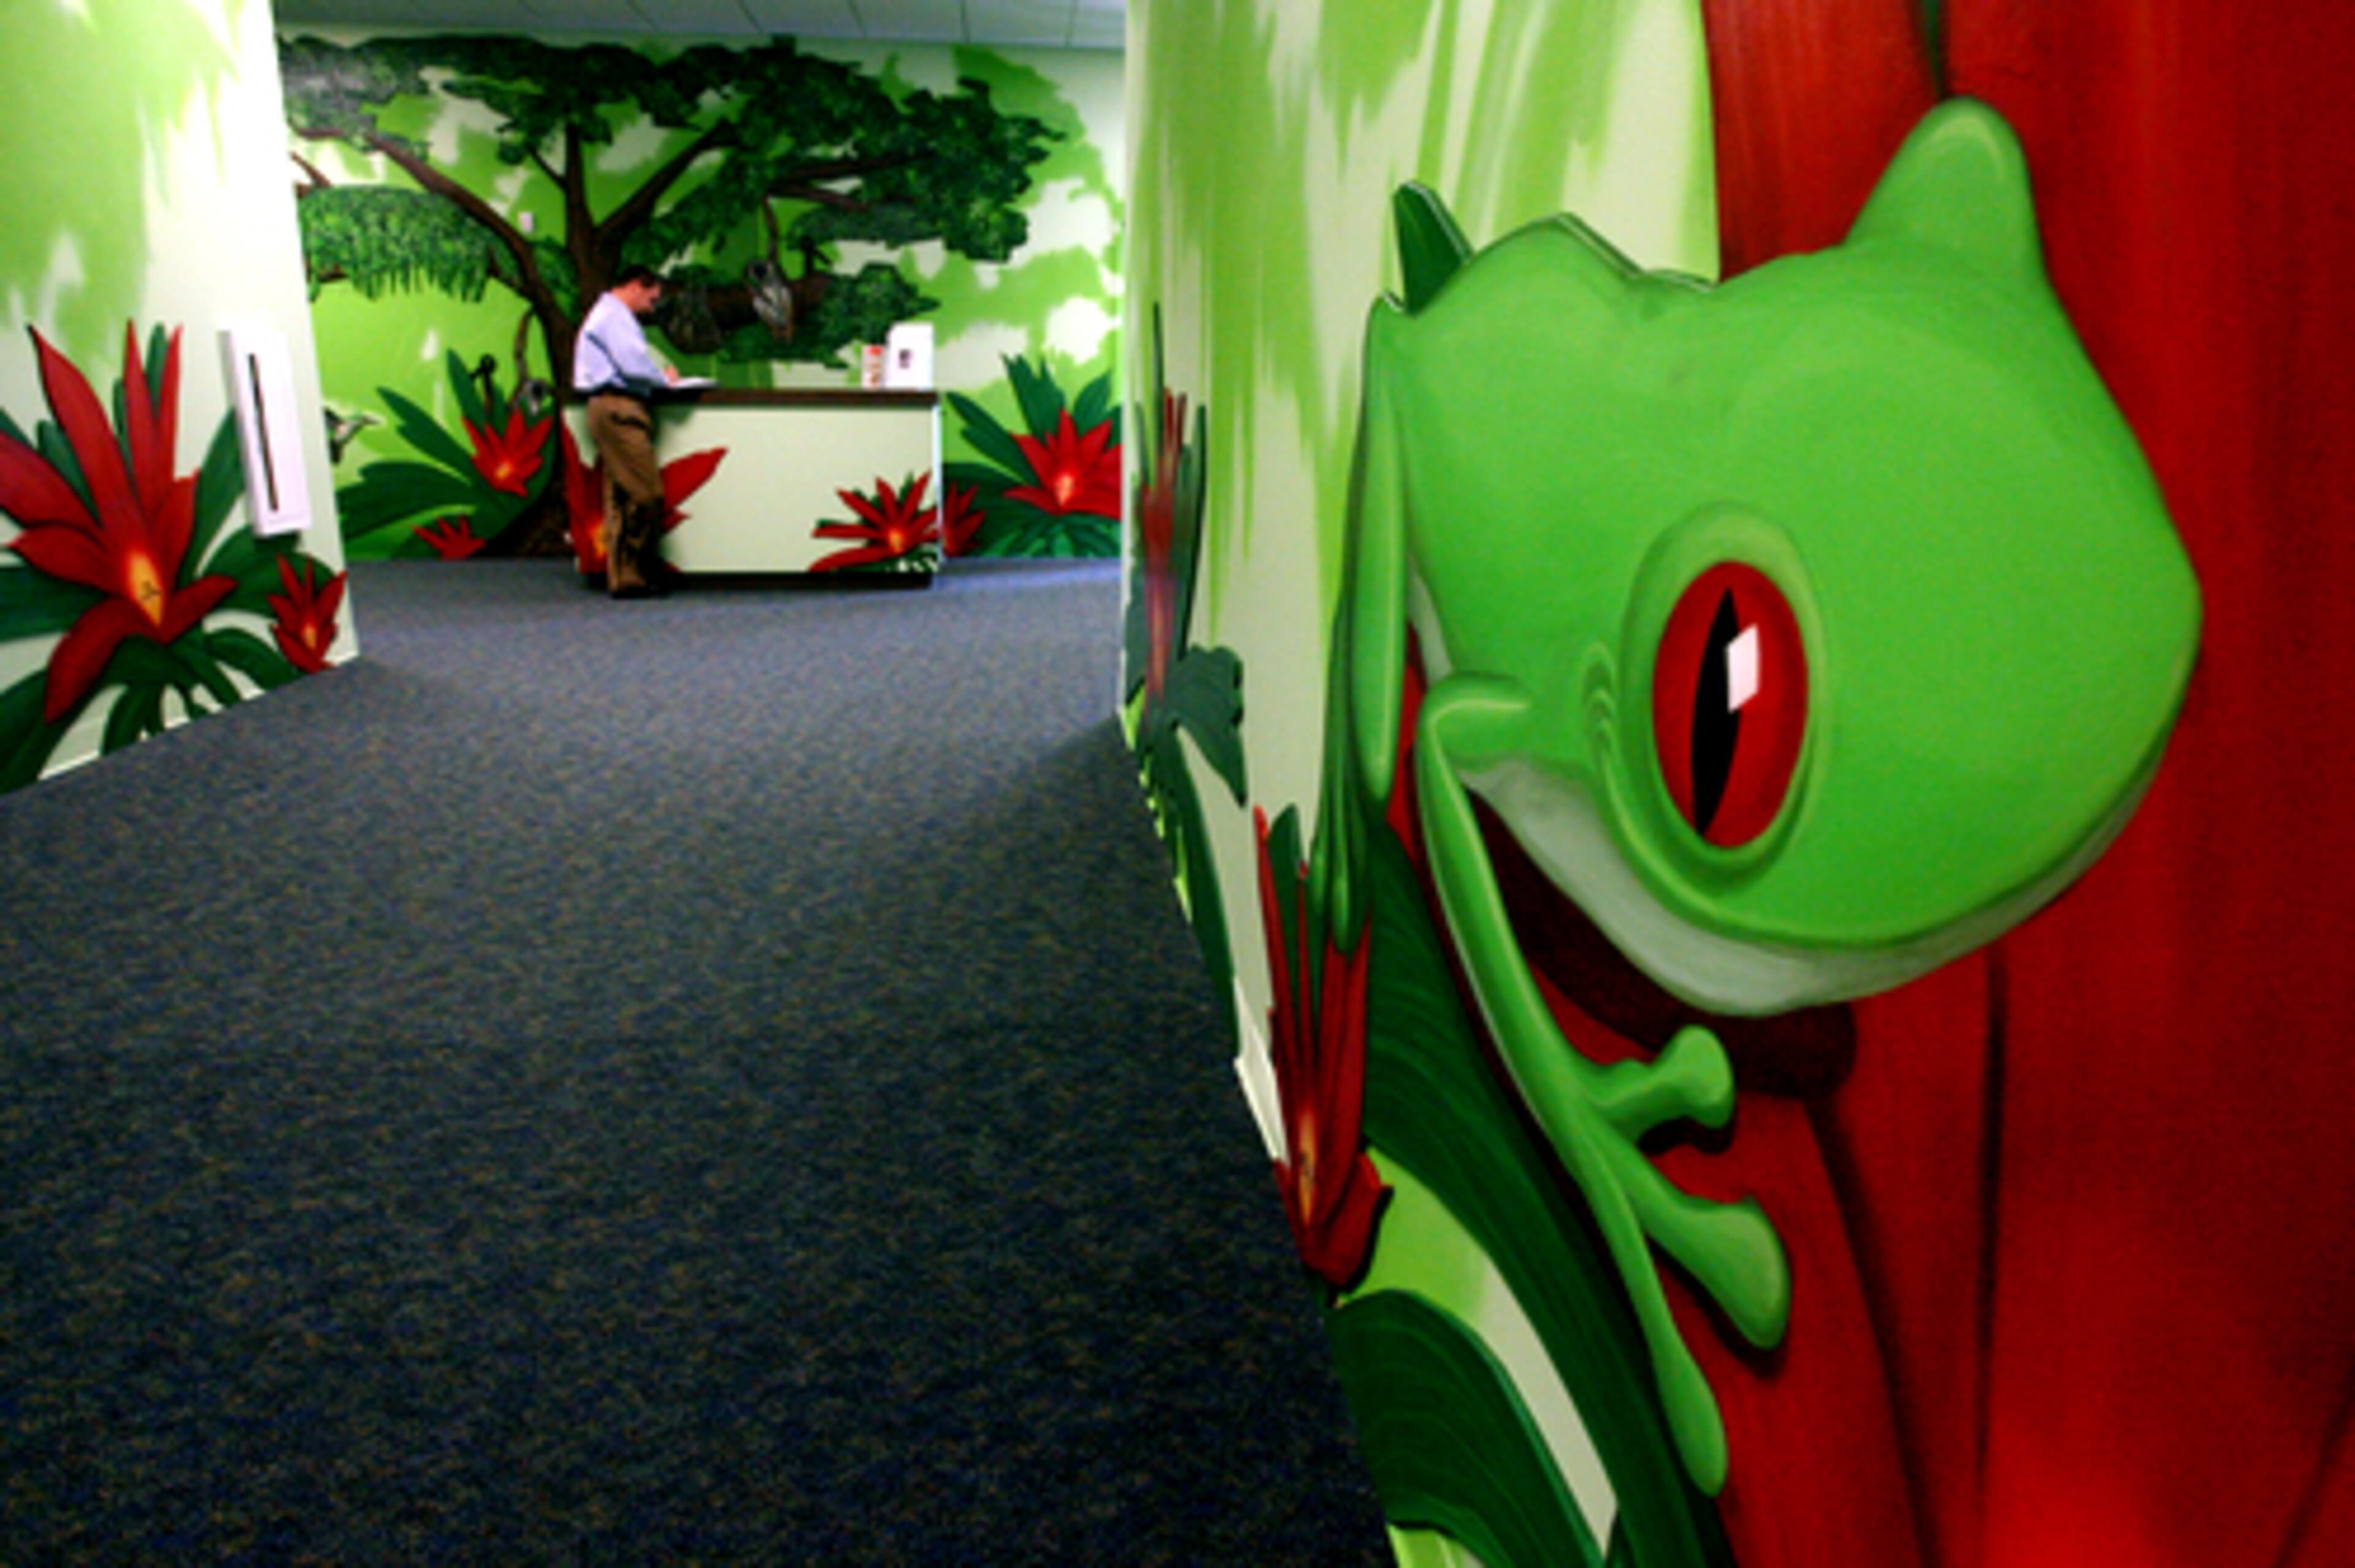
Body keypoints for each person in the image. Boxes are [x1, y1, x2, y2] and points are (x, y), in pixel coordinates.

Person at [573, 266, 680, 597]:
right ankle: (637, 570)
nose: (652, 306)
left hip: (610, 408)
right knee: (647, 494)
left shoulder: (605, 313)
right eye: (652, 297)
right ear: (636, 286)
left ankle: (626, 580)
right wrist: (664, 380)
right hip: (619, 408)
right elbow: (633, 365)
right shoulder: (615, 316)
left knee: (621, 495)